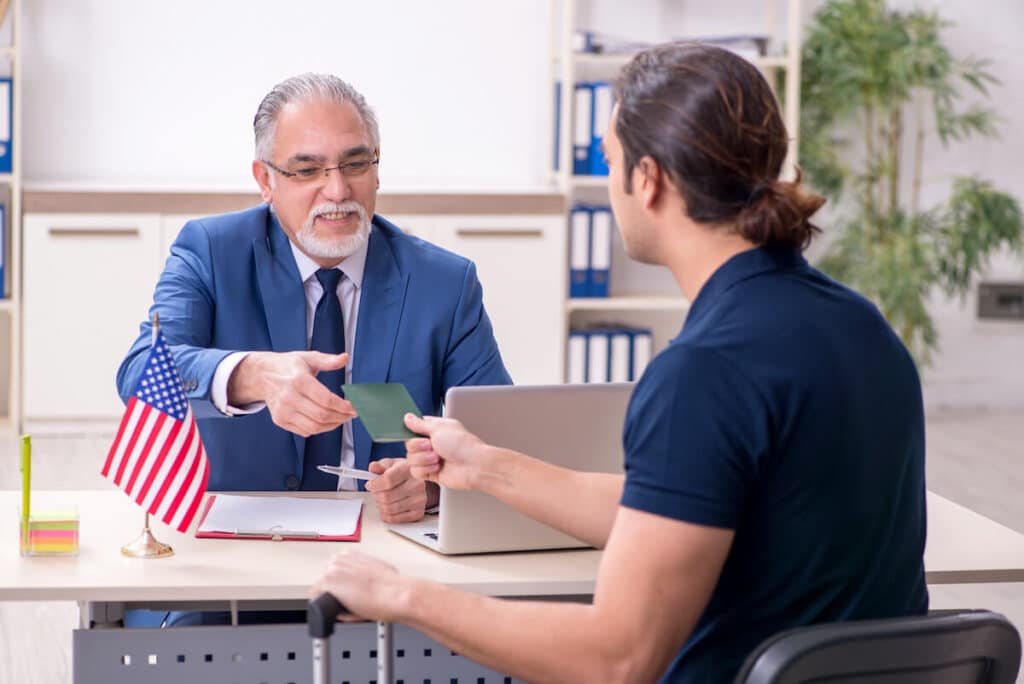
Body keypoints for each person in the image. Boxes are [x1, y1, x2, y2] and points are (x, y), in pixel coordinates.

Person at [313, 43, 928, 682]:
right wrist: (488, 466)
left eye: (609, 159)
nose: (609, 184)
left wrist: (404, 596)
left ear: (648, 178)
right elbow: (672, 509)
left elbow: (617, 658)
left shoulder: (705, 374)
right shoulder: (863, 327)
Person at [117, 73, 511, 527]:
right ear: (265, 180)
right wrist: (253, 374)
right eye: (307, 171)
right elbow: (140, 373)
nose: (338, 191)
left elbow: (496, 439)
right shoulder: (210, 250)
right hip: (235, 539)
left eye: (356, 164)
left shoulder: (444, 282)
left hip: (383, 549)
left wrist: (434, 486)